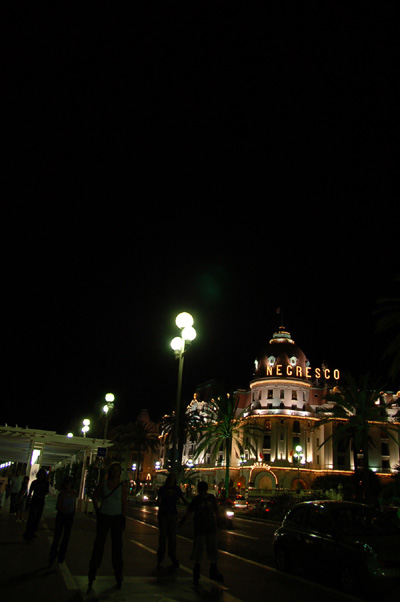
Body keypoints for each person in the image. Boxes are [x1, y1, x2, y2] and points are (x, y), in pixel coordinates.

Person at [88, 462, 127, 591]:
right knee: (99, 544)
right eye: (114, 470)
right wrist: (97, 510)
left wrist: (123, 519)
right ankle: (93, 571)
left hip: (116, 517)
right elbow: (94, 496)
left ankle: (118, 572)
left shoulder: (122, 486)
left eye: (118, 470)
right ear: (110, 472)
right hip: (104, 516)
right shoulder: (103, 484)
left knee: (117, 547)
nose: (116, 473)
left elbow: (124, 503)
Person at [180, 481, 223, 586]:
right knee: (211, 549)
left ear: (199, 489)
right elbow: (216, 512)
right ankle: (212, 570)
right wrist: (219, 520)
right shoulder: (210, 498)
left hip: (201, 527)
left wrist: (183, 521)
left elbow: (189, 512)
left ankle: (198, 571)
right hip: (209, 527)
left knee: (199, 549)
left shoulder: (197, 499)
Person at [156, 472, 187, 568]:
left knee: (172, 537)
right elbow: (159, 500)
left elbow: (182, 498)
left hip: (172, 514)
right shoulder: (163, 489)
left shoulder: (176, 489)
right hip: (164, 514)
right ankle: (161, 556)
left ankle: (172, 555)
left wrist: (189, 504)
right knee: (163, 536)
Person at [49, 476, 77, 566]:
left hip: (69, 517)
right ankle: (52, 556)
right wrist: (64, 510)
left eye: (69, 483)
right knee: (57, 536)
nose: (67, 485)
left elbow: (74, 506)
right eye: (66, 483)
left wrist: (72, 513)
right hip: (61, 516)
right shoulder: (62, 494)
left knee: (66, 537)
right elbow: (58, 506)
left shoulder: (74, 493)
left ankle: (61, 556)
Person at [23, 468, 49, 540]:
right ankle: (29, 532)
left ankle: (32, 531)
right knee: (32, 517)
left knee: (37, 517)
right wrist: (28, 501)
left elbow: (46, 492)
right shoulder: (35, 482)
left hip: (40, 501)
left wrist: (40, 495)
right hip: (35, 501)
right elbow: (30, 491)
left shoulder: (45, 483)